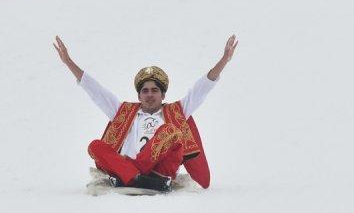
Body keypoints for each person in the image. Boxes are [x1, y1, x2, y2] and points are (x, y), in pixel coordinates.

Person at [53, 35, 239, 192]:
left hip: (160, 171)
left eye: (154, 90)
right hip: (133, 169)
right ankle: (137, 178)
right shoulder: (124, 111)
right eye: (145, 91)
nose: (150, 94)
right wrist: (68, 62)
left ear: (163, 94)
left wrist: (224, 60)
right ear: (139, 95)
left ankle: (131, 176)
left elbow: (202, 88)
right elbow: (96, 92)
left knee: (170, 131)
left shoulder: (177, 110)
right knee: (95, 146)